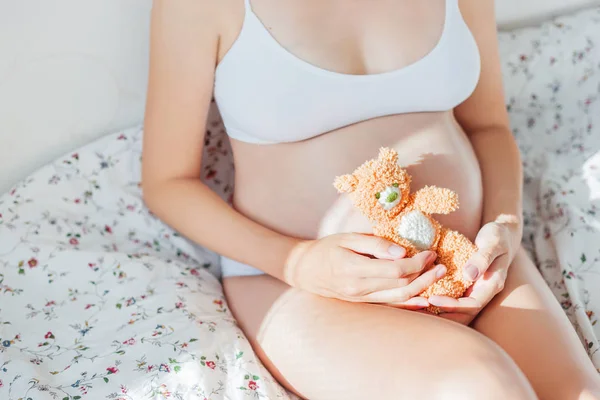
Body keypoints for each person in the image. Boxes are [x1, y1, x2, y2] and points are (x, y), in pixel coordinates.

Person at [141, 0, 600, 398]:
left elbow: (489, 128)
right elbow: (168, 184)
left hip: (469, 260)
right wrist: (300, 263)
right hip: (297, 286)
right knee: (482, 385)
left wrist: (504, 226)